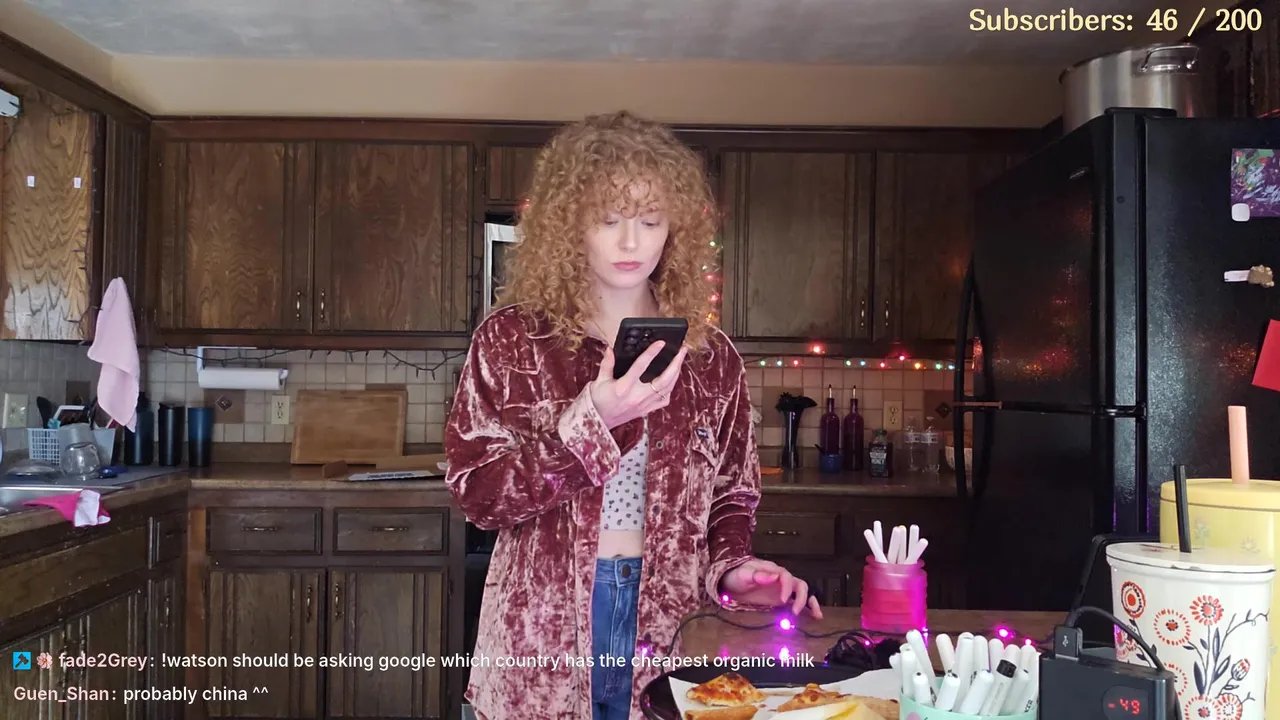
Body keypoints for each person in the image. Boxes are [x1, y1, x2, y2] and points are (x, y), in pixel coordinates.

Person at [445, 110, 822, 720]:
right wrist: (592, 420)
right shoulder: (512, 341)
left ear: (674, 228)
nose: (630, 243)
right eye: (608, 219)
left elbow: (732, 495)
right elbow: (480, 497)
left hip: (671, 625)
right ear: (570, 224)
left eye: (650, 220)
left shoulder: (710, 358)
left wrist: (734, 568)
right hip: (543, 628)